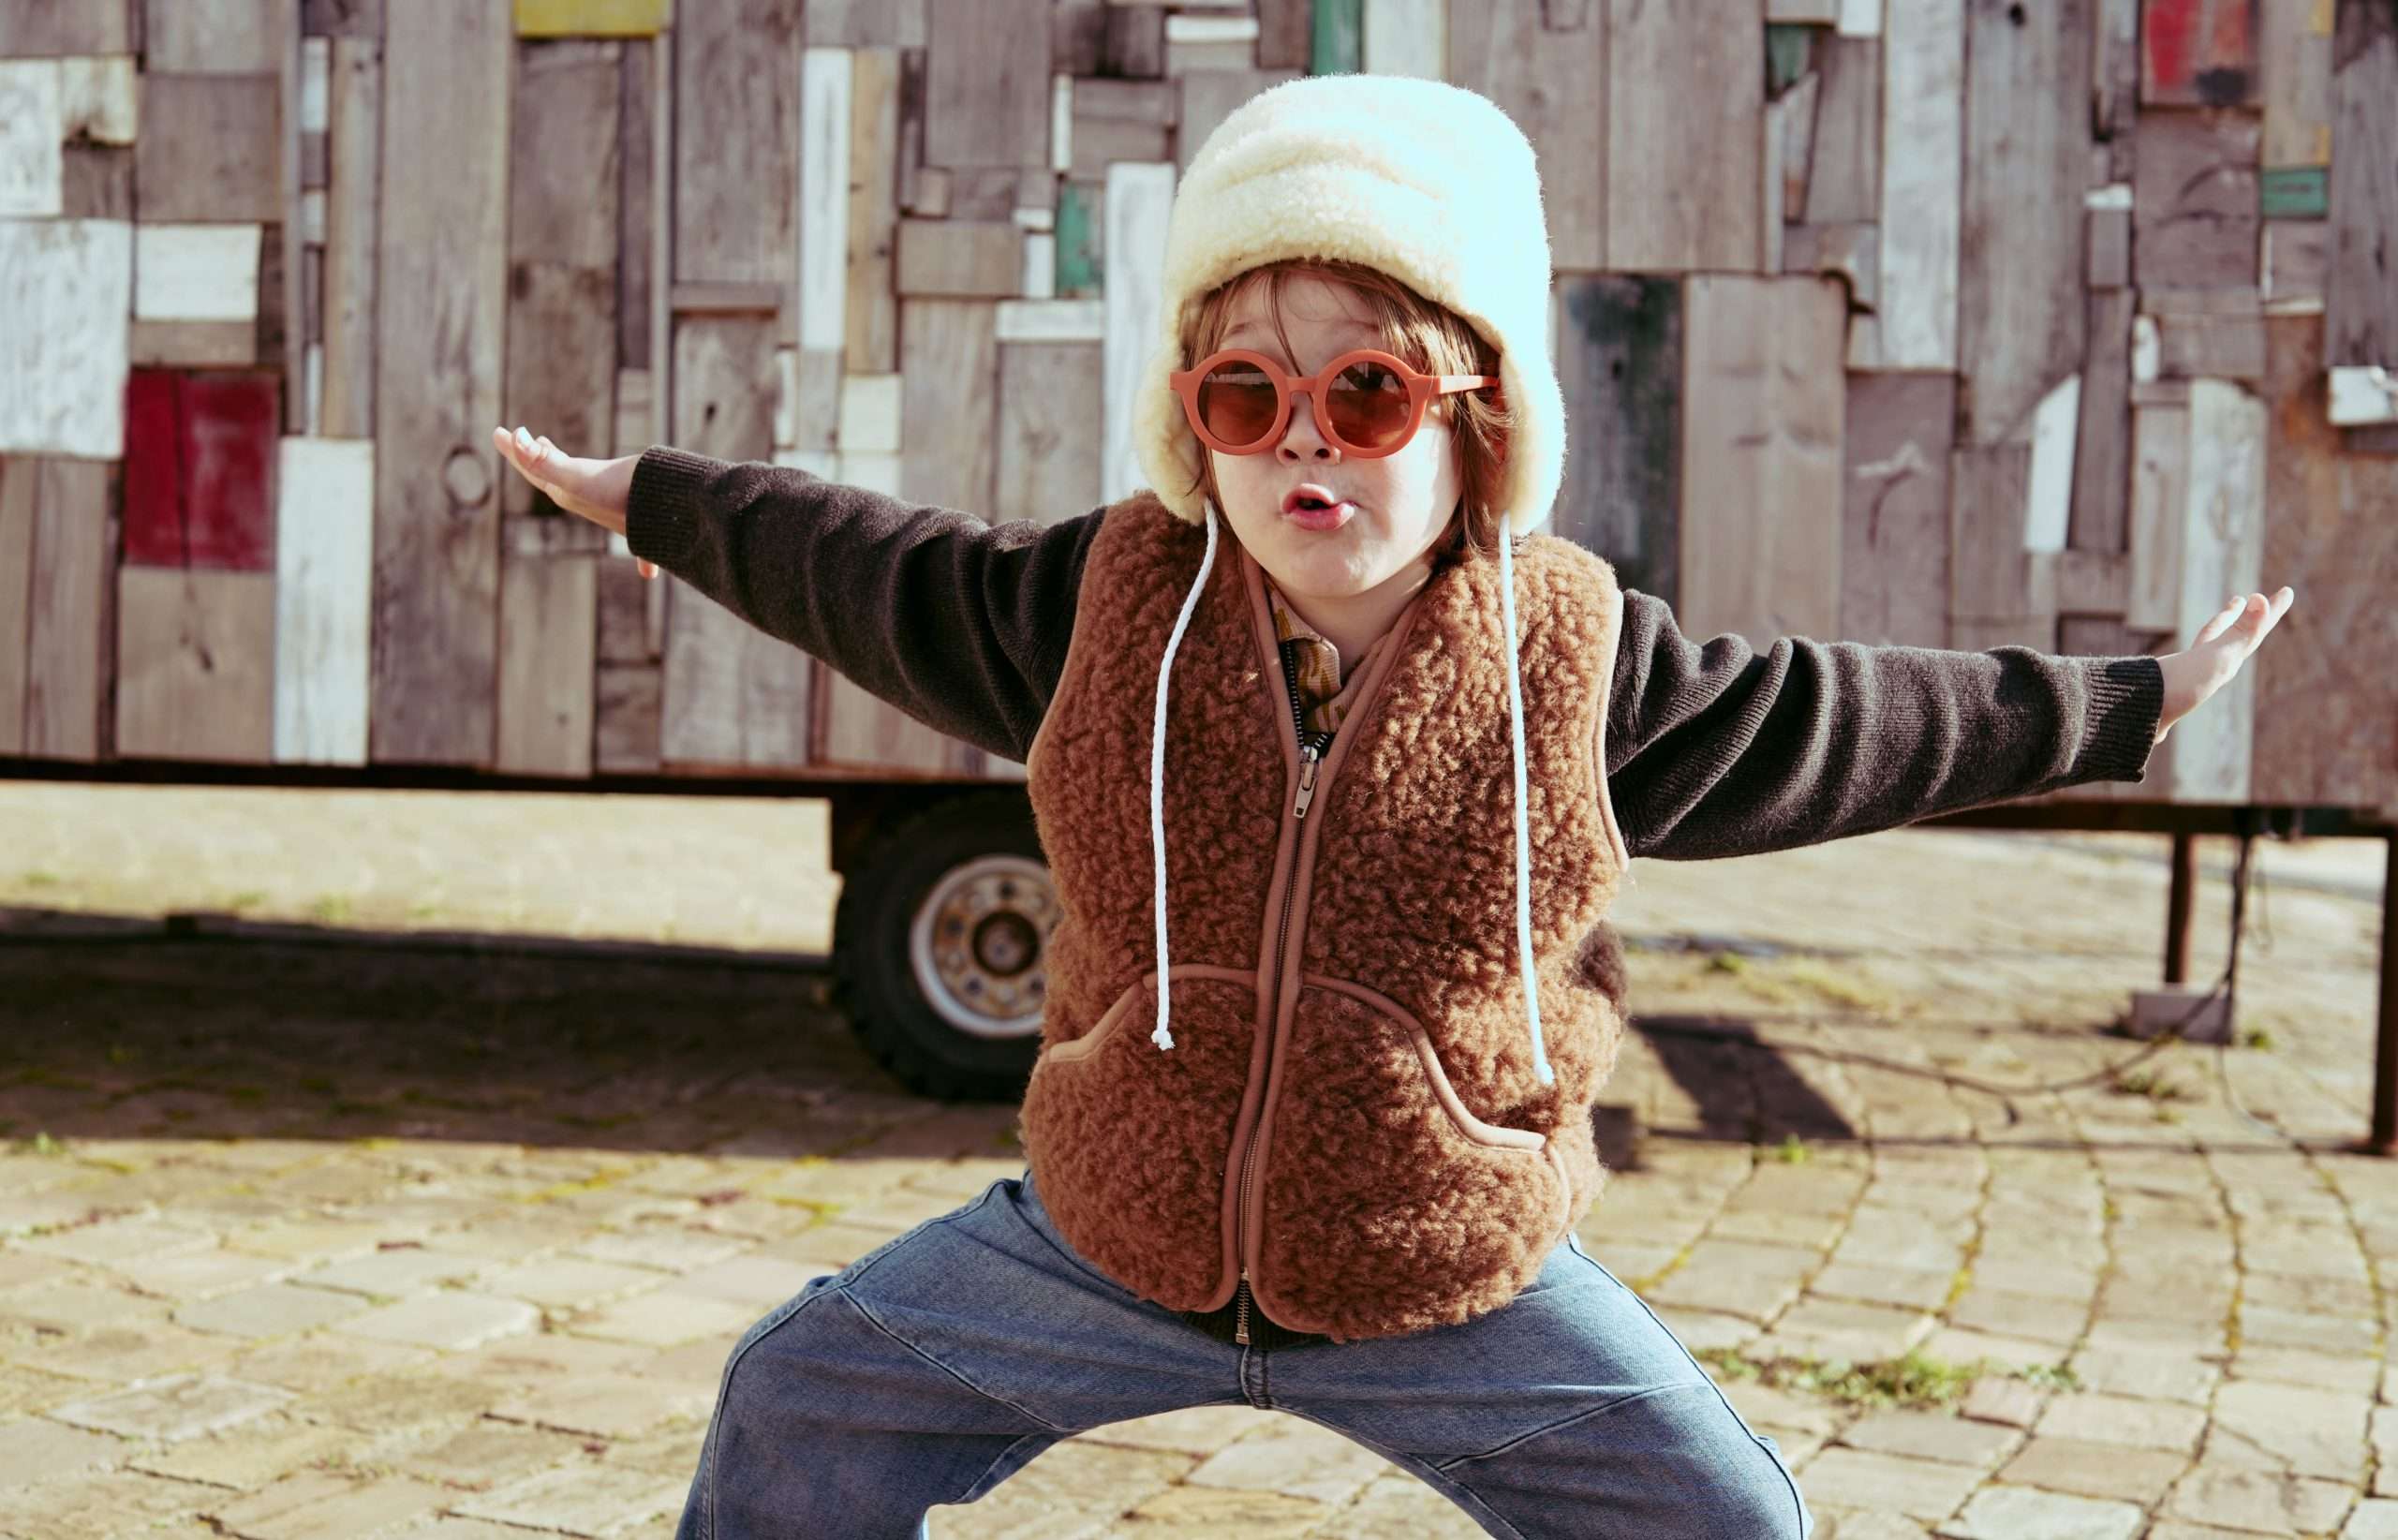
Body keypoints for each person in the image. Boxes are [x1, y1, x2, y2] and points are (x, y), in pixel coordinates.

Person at [496, 72, 2292, 1540]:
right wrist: (653, 499)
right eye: (1246, 394)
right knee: (800, 1397)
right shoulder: (1100, 611)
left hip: (1443, 1264)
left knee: (1731, 1519)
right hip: (1109, 1239)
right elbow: (861, 561)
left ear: (1473, 420)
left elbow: (1848, 718)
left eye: (1365, 392)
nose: (1303, 437)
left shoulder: (1575, 661)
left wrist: (2122, 702)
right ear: (1196, 428)